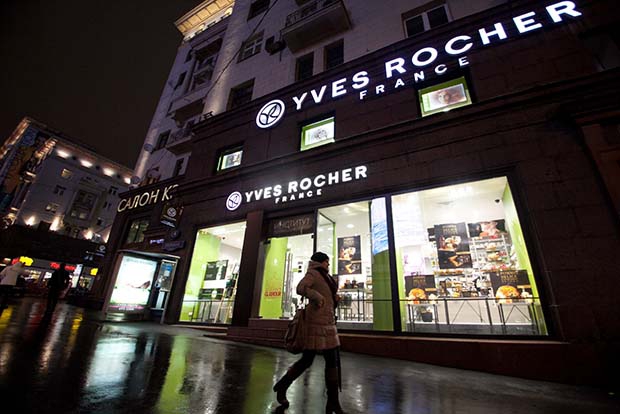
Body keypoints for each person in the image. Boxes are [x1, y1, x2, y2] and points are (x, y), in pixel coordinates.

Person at [273, 252, 346, 414]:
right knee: (307, 360)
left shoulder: (326, 276)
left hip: (328, 323)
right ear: (321, 262)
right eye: (327, 262)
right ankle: (283, 385)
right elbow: (301, 288)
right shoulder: (313, 273)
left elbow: (326, 295)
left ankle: (333, 402)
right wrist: (317, 296)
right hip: (316, 324)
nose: (328, 264)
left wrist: (334, 299)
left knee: (332, 361)